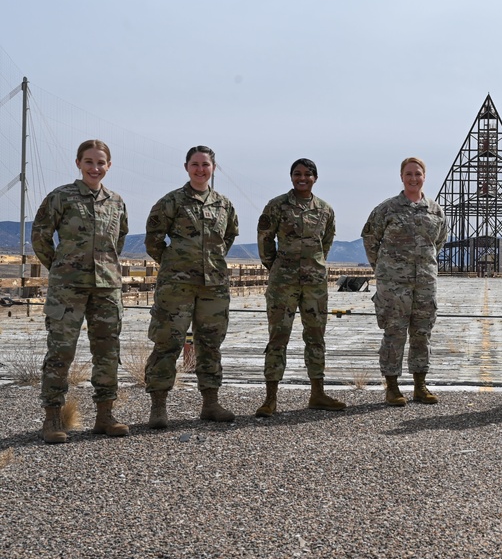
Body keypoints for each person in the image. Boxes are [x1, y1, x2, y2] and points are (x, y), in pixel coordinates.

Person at [32, 140, 129, 443]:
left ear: (108, 166)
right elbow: (40, 237)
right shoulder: (61, 197)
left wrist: (105, 268)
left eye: (100, 163)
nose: (95, 168)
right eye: (89, 162)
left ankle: (105, 415)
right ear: (78, 163)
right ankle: (53, 419)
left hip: (106, 289)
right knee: (61, 353)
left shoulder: (115, 201)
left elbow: (119, 239)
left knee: (108, 352)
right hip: (68, 290)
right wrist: (61, 268)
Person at [144, 146, 239, 428]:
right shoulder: (171, 201)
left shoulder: (224, 204)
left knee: (210, 344)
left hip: (214, 287)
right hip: (177, 286)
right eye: (195, 164)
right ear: (186, 167)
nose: (200, 170)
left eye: (205, 165)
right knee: (167, 342)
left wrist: (209, 263)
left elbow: (228, 237)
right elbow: (153, 240)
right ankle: (159, 407)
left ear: (213, 168)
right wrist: (175, 263)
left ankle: (210, 403)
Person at [255, 158, 345, 416]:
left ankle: (317, 393)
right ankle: (270, 398)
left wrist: (314, 263)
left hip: (314, 283)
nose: (302, 178)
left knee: (316, 338)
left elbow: (325, 242)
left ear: (315, 177)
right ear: (291, 177)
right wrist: (275, 266)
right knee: (277, 338)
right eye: (297, 174)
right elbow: (265, 239)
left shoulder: (325, 209)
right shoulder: (277, 206)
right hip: (283, 281)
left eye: (307, 174)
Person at [361, 157, 448, 406]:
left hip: (424, 283)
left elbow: (438, 242)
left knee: (422, 333)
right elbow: (370, 238)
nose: (413, 178)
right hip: (394, 284)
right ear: (401, 177)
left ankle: (420, 385)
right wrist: (383, 268)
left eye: (418, 174)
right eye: (409, 174)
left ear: (424, 177)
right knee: (394, 333)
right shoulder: (387, 209)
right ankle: (392, 387)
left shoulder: (435, 210)